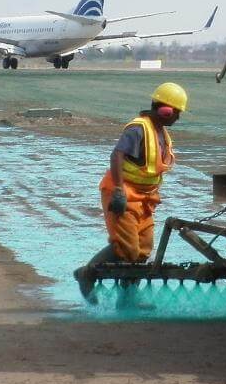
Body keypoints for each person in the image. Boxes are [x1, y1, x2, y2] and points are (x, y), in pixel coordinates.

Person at [74, 82, 189, 299]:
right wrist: (118, 190)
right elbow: (116, 155)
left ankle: (127, 300)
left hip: (145, 198)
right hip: (123, 193)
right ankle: (86, 273)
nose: (178, 118)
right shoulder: (138, 129)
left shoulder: (160, 132)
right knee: (127, 249)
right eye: (177, 112)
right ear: (166, 110)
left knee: (142, 250)